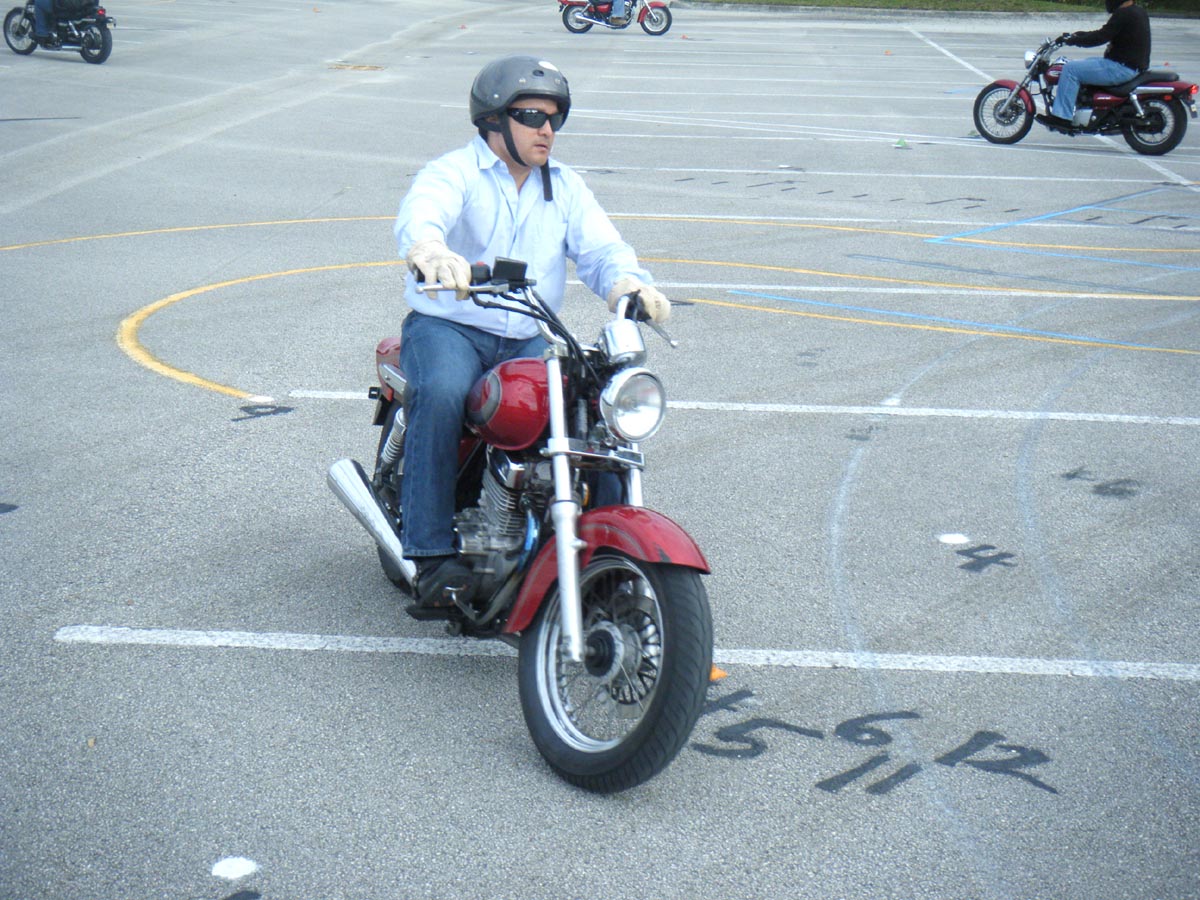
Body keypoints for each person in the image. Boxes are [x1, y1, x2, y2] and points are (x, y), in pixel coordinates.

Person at [392, 54, 669, 610]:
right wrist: (430, 249)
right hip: (450, 326)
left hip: (525, 336)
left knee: (589, 409)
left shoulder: (564, 187)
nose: (546, 129)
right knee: (442, 392)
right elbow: (424, 212)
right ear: (494, 120)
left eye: (554, 118)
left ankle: (603, 553)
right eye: (531, 116)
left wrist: (628, 283)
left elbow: (601, 249)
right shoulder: (456, 172)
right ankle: (430, 556)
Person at [1040, 0, 1151, 129]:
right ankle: (1087, 105)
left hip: (1121, 68)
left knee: (1070, 69)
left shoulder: (1124, 14)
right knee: (1085, 63)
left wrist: (1073, 41)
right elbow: (1104, 32)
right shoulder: (1138, 11)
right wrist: (1078, 35)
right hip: (1129, 66)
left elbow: (1100, 38)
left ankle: (1062, 117)